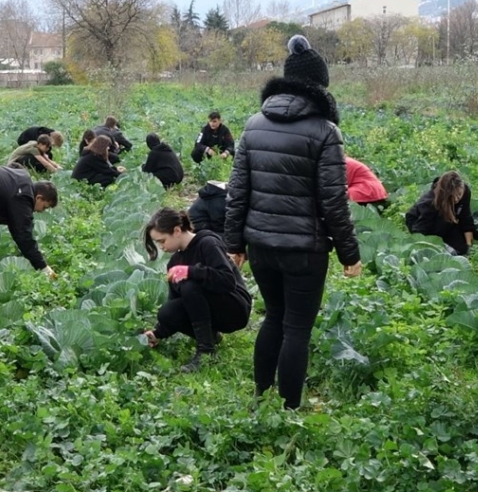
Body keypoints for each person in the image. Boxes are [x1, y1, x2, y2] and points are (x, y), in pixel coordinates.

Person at [225, 34, 362, 410]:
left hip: (262, 247)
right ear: (319, 87)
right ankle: (289, 408)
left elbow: (237, 192)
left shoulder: (254, 125)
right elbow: (334, 200)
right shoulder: (325, 131)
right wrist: (350, 254)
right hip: (305, 250)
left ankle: (260, 396)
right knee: (297, 329)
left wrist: (234, 244)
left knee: (273, 318)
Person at [142, 208, 251, 372]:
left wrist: (192, 271)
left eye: (162, 241)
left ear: (177, 231)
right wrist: (158, 333)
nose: (161, 247)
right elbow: (177, 304)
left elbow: (228, 281)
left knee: (189, 285)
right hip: (213, 310)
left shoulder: (207, 243)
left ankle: (206, 351)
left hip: (235, 308)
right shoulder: (174, 262)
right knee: (166, 312)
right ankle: (211, 336)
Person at [405, 171, 476, 256]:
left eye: (459, 194)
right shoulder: (430, 203)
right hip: (420, 221)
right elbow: (420, 231)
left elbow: (466, 217)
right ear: (445, 194)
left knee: (461, 249)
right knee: (438, 251)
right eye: (452, 196)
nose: (457, 199)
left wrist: (469, 247)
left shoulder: (465, 191)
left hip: (447, 220)